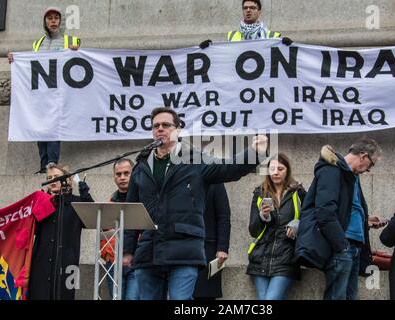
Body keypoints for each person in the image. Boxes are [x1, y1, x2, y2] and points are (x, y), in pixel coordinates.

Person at [123, 107, 268, 300]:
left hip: (185, 249)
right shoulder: (141, 167)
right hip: (148, 252)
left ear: (178, 130)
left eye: (166, 125)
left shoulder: (195, 160)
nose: (160, 129)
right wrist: (127, 250)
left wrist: (255, 153)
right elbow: (132, 211)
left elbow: (228, 168)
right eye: (156, 126)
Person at [296, 138, 387, 300]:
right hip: (343, 245)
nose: (368, 170)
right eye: (371, 164)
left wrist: (365, 219)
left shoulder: (351, 176)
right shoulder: (331, 170)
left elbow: (344, 209)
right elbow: (325, 211)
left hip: (354, 246)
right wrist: (342, 246)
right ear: (363, 156)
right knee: (336, 296)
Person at [7, 7, 81, 174]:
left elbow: (80, 59)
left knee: (54, 128)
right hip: (42, 94)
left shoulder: (71, 40)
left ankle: (52, 164)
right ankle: (44, 165)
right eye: (49, 18)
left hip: (60, 93)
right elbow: (31, 64)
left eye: (56, 18)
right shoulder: (37, 43)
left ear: (61, 22)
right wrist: (15, 58)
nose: (53, 21)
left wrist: (76, 50)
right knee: (41, 128)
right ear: (45, 22)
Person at [28, 163, 93, 300]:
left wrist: (85, 193)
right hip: (41, 262)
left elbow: (92, 218)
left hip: (68, 264)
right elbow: (33, 230)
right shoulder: (45, 202)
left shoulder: (77, 202)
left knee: (65, 295)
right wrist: (41, 204)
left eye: (56, 177)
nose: (52, 180)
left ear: (67, 180)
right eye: (49, 177)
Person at [247, 153, 306, 300]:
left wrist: (298, 224)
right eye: (272, 168)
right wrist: (263, 216)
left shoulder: (298, 193)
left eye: (280, 168)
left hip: (287, 257)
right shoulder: (259, 193)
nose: (275, 172)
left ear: (287, 170)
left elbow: (310, 219)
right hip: (260, 257)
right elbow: (253, 231)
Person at [101, 159, 140, 300]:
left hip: (137, 264)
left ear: (134, 174)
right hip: (113, 265)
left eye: (126, 173)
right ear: (114, 177)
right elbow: (103, 236)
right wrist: (107, 257)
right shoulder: (109, 203)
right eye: (118, 174)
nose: (122, 177)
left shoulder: (144, 199)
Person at [199, 0, 292, 49]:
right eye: (245, 8)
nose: (248, 10)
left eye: (252, 8)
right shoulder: (231, 36)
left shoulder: (274, 36)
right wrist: (208, 49)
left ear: (259, 12)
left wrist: (289, 47)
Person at [193, 183, 231, 300]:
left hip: (207, 250)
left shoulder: (215, 182)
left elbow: (223, 216)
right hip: (181, 248)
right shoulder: (179, 177)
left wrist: (222, 248)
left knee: (205, 295)